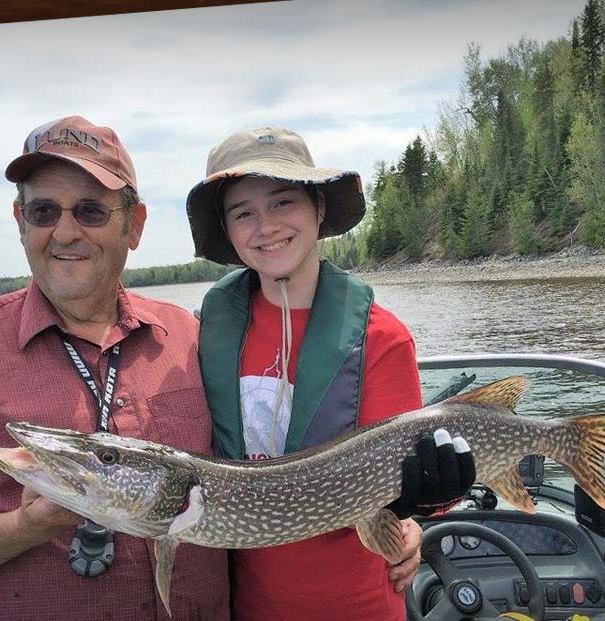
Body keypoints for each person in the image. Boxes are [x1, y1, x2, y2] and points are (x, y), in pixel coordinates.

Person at [0, 116, 229, 619]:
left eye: (90, 211)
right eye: (43, 211)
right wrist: (26, 526)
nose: (65, 232)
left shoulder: (191, 337)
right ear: (20, 222)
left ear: (134, 225)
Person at [185, 127, 474, 619]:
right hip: (248, 606)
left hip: (358, 605)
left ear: (319, 209)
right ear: (229, 232)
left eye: (282, 202)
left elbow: (406, 484)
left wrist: (425, 508)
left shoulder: (383, 339)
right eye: (243, 213)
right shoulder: (206, 331)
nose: (266, 226)